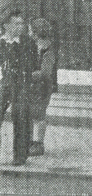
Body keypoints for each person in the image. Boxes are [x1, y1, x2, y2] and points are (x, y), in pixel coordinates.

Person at [0, 11, 39, 166]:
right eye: (16, 23)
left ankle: (20, 156)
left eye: (22, 24)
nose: (20, 27)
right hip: (2, 84)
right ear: (6, 25)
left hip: (20, 85)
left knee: (21, 117)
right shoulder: (1, 42)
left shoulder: (27, 43)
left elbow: (34, 64)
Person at [29, 17, 57, 156]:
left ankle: (39, 143)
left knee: (39, 115)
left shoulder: (47, 50)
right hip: (34, 86)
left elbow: (45, 73)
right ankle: (31, 142)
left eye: (30, 30)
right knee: (31, 113)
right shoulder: (36, 47)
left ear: (35, 33)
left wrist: (27, 74)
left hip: (43, 87)